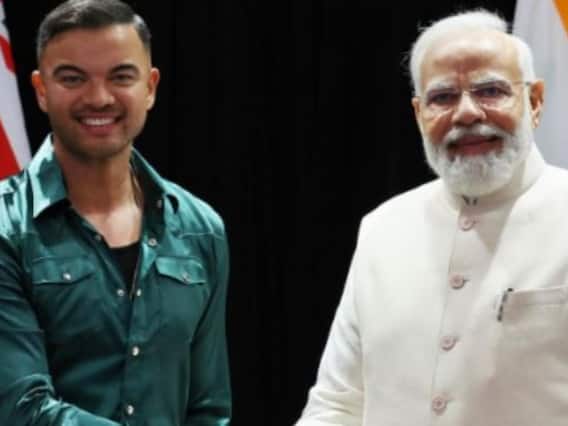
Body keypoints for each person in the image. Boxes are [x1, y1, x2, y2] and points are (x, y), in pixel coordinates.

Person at [296, 9, 568, 426]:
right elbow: (338, 404)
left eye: (490, 90)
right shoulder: (383, 228)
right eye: (443, 97)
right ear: (418, 114)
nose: (466, 113)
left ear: (535, 101)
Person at [0, 0, 231, 424]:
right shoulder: (5, 225)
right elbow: (20, 409)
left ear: (150, 87)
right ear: (41, 89)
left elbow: (209, 406)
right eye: (73, 78)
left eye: (121, 77)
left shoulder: (201, 229)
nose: (99, 98)